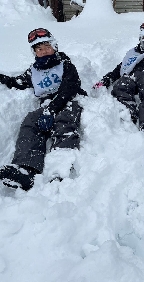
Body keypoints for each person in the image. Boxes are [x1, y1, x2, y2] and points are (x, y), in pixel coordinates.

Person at [0, 28, 86, 191]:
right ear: (34, 52)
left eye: (47, 46)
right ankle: (26, 169)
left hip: (68, 101)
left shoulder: (65, 64)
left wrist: (52, 110)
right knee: (30, 122)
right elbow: (17, 82)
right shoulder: (33, 72)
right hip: (47, 106)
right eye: (39, 49)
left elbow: (70, 87)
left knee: (64, 123)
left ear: (54, 46)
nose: (44, 51)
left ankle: (60, 170)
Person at [92, 21, 144, 138]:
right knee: (120, 86)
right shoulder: (132, 53)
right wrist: (106, 80)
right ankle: (127, 112)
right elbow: (120, 69)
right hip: (130, 76)